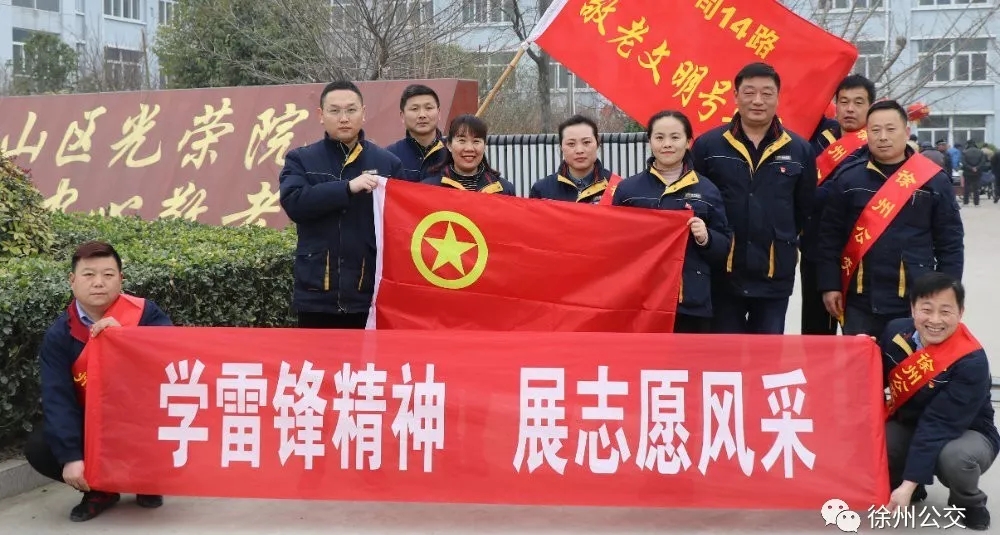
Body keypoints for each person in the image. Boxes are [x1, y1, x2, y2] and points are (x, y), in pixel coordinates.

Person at [24, 241, 172, 522]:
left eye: (108, 274)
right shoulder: (60, 335)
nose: (98, 282)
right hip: (94, 421)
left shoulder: (145, 313)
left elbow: (171, 360)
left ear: (121, 279)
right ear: (72, 280)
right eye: (89, 275)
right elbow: (58, 398)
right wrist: (71, 457)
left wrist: (128, 339)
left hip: (142, 417)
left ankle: (147, 479)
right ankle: (100, 489)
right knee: (41, 446)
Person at [817, 100, 963, 337]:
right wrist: (830, 285)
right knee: (861, 360)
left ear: (906, 131)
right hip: (860, 299)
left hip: (916, 300)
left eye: (890, 129)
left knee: (908, 360)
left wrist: (947, 292)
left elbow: (950, 243)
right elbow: (829, 238)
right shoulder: (848, 179)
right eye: (875, 130)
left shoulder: (933, 180)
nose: (883, 137)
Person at [690, 62, 816, 334]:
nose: (758, 101)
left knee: (768, 354)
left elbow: (803, 210)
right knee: (724, 354)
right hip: (723, 272)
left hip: (774, 273)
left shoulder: (799, 150)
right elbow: (698, 202)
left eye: (767, 93)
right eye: (749, 92)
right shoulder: (708, 146)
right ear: (735, 96)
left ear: (778, 98)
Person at [278, 80, 403, 329]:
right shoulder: (301, 159)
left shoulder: (388, 163)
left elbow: (400, 227)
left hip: (367, 293)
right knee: (316, 355)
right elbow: (295, 203)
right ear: (320, 115)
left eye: (351, 110)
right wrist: (347, 188)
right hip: (316, 293)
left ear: (363, 113)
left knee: (367, 355)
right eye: (334, 111)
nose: (343, 118)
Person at [880, 273, 997, 531]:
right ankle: (910, 485)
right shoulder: (894, 332)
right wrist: (860, 349)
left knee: (955, 458)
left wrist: (908, 483)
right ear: (913, 308)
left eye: (945, 311)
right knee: (879, 440)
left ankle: (967, 501)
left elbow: (939, 424)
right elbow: (872, 379)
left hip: (965, 431)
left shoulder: (972, 361)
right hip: (910, 423)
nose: (935, 320)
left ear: (960, 312)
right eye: (926, 309)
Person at [613, 111, 731, 333]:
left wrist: (706, 238)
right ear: (650, 141)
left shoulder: (707, 190)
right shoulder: (628, 190)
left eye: (675, 137)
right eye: (659, 137)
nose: (667, 144)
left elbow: (724, 248)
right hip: (641, 301)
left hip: (690, 302)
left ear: (688, 142)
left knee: (688, 355)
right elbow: (614, 244)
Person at [801, 74, 875, 336]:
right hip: (815, 249)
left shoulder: (877, 146)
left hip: (858, 252)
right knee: (815, 331)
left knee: (857, 332)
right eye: (844, 102)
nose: (850, 109)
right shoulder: (817, 137)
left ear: (870, 107)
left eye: (858, 102)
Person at [530, 115, 617, 203]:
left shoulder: (617, 188)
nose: (579, 150)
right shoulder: (542, 191)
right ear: (561, 147)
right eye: (571, 144)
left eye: (586, 142)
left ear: (597, 143)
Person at [422, 114, 516, 195]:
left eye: (476, 141)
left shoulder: (505, 190)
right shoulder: (429, 189)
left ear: (484, 146)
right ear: (449, 145)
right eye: (462, 141)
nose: (469, 148)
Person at [385, 84, 447, 182]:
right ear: (402, 116)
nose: (422, 115)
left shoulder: (454, 152)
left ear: (439, 113)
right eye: (414, 109)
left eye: (428, 108)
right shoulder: (389, 155)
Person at [961, 141, 989, 207]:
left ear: (968, 144)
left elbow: (963, 162)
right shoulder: (980, 152)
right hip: (977, 172)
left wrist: (971, 168)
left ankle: (966, 202)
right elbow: (983, 161)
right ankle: (976, 203)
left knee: (966, 187)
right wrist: (976, 167)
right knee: (976, 188)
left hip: (967, 172)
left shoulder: (964, 152)